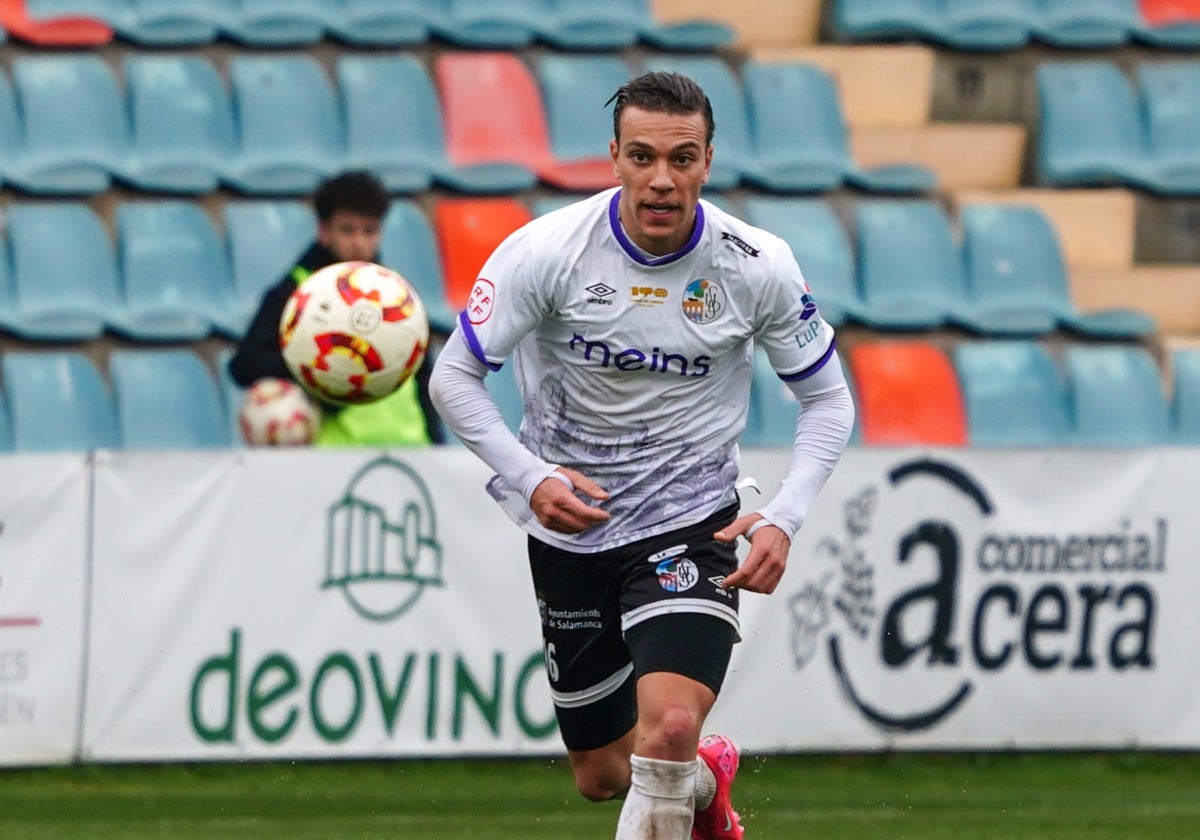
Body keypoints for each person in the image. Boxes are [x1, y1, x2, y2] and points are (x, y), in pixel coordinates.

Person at [429, 72, 854, 839]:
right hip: (572, 529)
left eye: (683, 158)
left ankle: (686, 763)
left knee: (668, 731)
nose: (663, 179)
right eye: (645, 157)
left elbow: (829, 400)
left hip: (691, 521)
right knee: (603, 776)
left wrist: (784, 517)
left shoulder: (753, 264)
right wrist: (531, 479)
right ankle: (705, 783)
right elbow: (453, 379)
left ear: (708, 161)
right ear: (615, 157)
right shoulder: (547, 252)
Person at [228, 170, 442, 446]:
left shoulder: (398, 295)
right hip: (335, 456)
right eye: (347, 229)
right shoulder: (297, 292)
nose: (359, 242)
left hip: (410, 446)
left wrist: (436, 444)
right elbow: (245, 365)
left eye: (369, 230)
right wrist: (318, 368)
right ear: (324, 231)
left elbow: (424, 378)